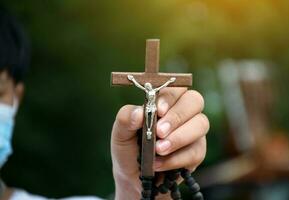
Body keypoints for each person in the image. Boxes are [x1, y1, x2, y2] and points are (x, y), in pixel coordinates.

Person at [0, 10, 209, 200]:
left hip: (151, 116)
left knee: (148, 128)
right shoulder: (142, 83)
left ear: (16, 97)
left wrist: (134, 191)